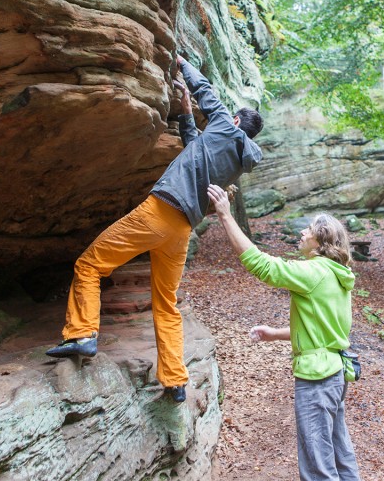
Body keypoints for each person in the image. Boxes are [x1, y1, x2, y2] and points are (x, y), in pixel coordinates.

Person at [46, 56, 264, 404]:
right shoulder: (236, 159)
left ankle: (82, 333)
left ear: (235, 120)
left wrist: (182, 64)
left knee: (89, 265)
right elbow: (194, 143)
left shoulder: (225, 124)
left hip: (158, 212)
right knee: (166, 304)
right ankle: (175, 380)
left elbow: (205, 91)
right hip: (181, 231)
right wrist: (183, 107)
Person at [206, 184, 361, 481]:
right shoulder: (337, 276)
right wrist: (274, 334)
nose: (302, 233)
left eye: (309, 229)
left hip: (317, 379)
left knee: (318, 462)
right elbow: (324, 331)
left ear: (321, 241)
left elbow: (262, 265)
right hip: (335, 373)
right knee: (341, 454)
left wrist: (225, 215)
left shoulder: (314, 271)